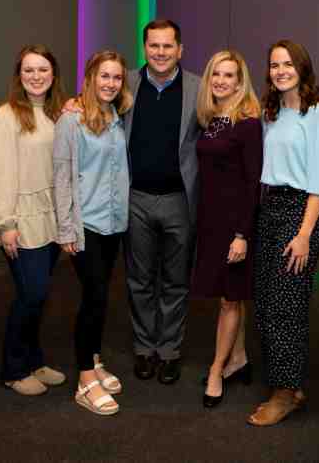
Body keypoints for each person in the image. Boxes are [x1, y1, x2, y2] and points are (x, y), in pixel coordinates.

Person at [247, 40, 319, 427]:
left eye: (287, 63)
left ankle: (285, 393)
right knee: (266, 303)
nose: (280, 70)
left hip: (301, 211)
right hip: (268, 209)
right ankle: (286, 385)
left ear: (302, 67)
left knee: (287, 307)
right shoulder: (270, 112)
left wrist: (304, 234)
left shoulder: (318, 113)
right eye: (274, 64)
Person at [53, 50, 133, 415]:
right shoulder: (72, 120)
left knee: (100, 296)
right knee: (94, 295)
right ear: (90, 78)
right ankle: (85, 379)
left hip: (113, 222)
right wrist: (66, 227)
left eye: (116, 78)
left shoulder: (116, 115)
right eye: (104, 76)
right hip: (86, 224)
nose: (111, 84)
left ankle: (94, 358)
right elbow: (62, 177)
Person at [0, 45, 67, 396]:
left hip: (49, 218)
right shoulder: (7, 116)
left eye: (43, 70)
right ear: (19, 75)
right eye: (29, 70)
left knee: (39, 295)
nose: (36, 76)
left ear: (53, 75)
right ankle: (13, 370)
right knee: (31, 294)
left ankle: (34, 360)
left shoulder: (55, 113)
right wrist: (6, 224)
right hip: (20, 219)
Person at [123, 19, 201, 385]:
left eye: (168, 46)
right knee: (139, 279)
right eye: (153, 45)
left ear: (180, 50)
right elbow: (91, 105)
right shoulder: (124, 82)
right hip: (134, 198)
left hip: (178, 201)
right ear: (144, 48)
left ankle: (169, 350)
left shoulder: (200, 88)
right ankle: (143, 348)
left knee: (175, 280)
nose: (160, 52)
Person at [191, 50, 262, 408]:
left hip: (234, 224)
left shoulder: (247, 123)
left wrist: (242, 235)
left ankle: (217, 369)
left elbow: (253, 183)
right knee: (230, 293)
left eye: (229, 75)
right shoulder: (212, 118)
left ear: (240, 81)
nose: (221, 80)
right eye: (216, 74)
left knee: (229, 300)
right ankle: (239, 359)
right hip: (210, 221)